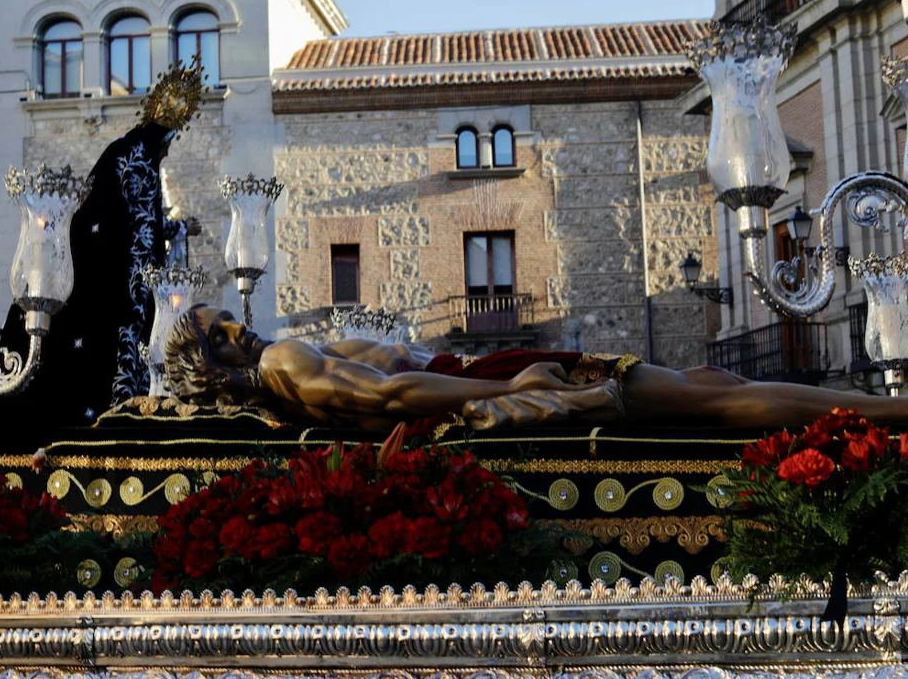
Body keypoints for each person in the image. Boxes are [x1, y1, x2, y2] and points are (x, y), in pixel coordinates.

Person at [0, 61, 208, 479]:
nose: (169, 149)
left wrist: (177, 228)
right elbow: (139, 234)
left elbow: (125, 222)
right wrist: (155, 290)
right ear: (166, 132)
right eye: (171, 140)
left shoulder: (120, 151)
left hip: (100, 272)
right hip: (112, 294)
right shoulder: (142, 161)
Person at [163, 304, 908, 432]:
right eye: (214, 330)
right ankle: (889, 413)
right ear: (213, 360)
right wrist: (507, 384)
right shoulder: (285, 362)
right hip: (490, 380)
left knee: (711, 390)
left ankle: (880, 410)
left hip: (487, 375)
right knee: (704, 400)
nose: (232, 322)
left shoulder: (281, 368)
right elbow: (393, 392)